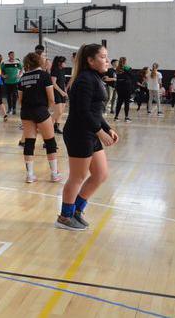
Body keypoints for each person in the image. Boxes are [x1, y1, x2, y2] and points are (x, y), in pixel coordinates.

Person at [57, 44, 118, 231]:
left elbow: (95, 111)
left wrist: (107, 128)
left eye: (107, 56)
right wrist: (100, 131)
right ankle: (65, 217)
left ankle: (76, 210)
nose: (107, 60)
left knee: (100, 174)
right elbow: (82, 111)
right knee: (78, 177)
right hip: (79, 132)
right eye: (103, 57)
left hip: (90, 130)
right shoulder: (84, 80)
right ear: (90, 60)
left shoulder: (95, 78)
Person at [19, 52, 60, 183]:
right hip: (40, 110)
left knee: (29, 143)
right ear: (39, 62)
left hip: (25, 112)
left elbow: (20, 100)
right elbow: (51, 99)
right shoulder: (44, 75)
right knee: (50, 142)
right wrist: (45, 110)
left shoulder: (23, 78)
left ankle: (30, 175)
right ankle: (54, 174)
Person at [50, 56, 68, 134]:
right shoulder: (54, 70)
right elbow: (53, 83)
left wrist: (65, 91)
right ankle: (47, 125)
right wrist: (61, 92)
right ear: (59, 63)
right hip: (56, 92)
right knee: (58, 111)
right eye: (64, 62)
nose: (65, 63)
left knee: (61, 112)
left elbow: (63, 83)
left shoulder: (63, 70)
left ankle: (56, 127)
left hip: (62, 92)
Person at [113, 57, 133, 123]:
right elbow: (131, 75)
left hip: (119, 87)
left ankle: (116, 117)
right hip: (126, 86)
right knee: (127, 102)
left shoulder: (117, 69)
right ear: (125, 61)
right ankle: (126, 117)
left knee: (119, 101)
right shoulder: (128, 68)